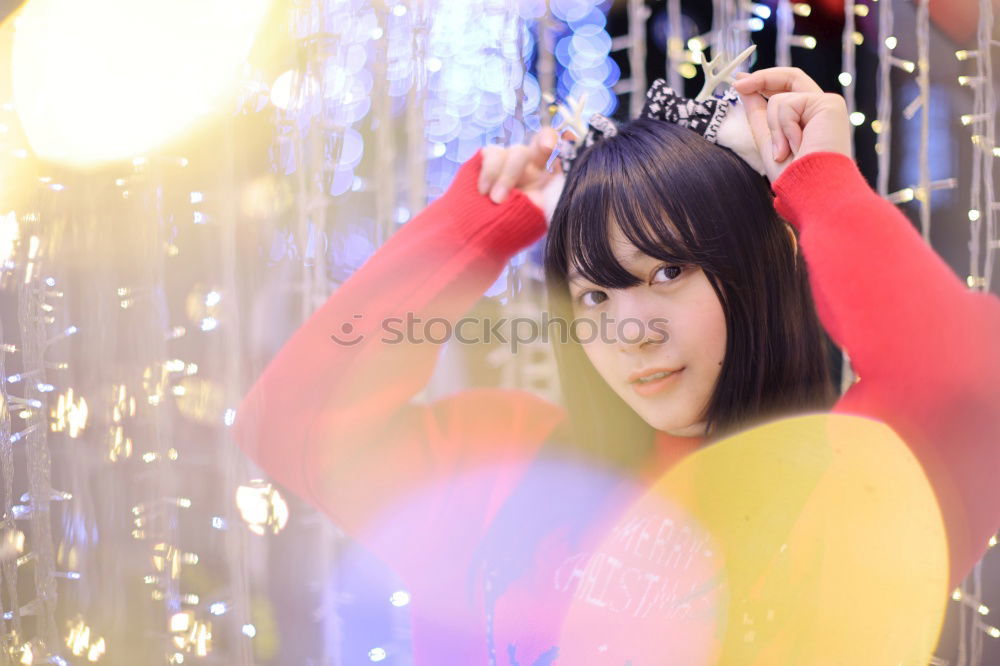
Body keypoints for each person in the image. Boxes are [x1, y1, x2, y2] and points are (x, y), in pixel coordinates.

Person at [232, 67, 1000, 664]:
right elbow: (291, 424)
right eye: (595, 293)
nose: (630, 330)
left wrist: (821, 182)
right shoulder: (509, 466)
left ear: (758, 272)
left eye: (668, 273)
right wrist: (476, 229)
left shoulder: (860, 477)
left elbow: (966, 382)